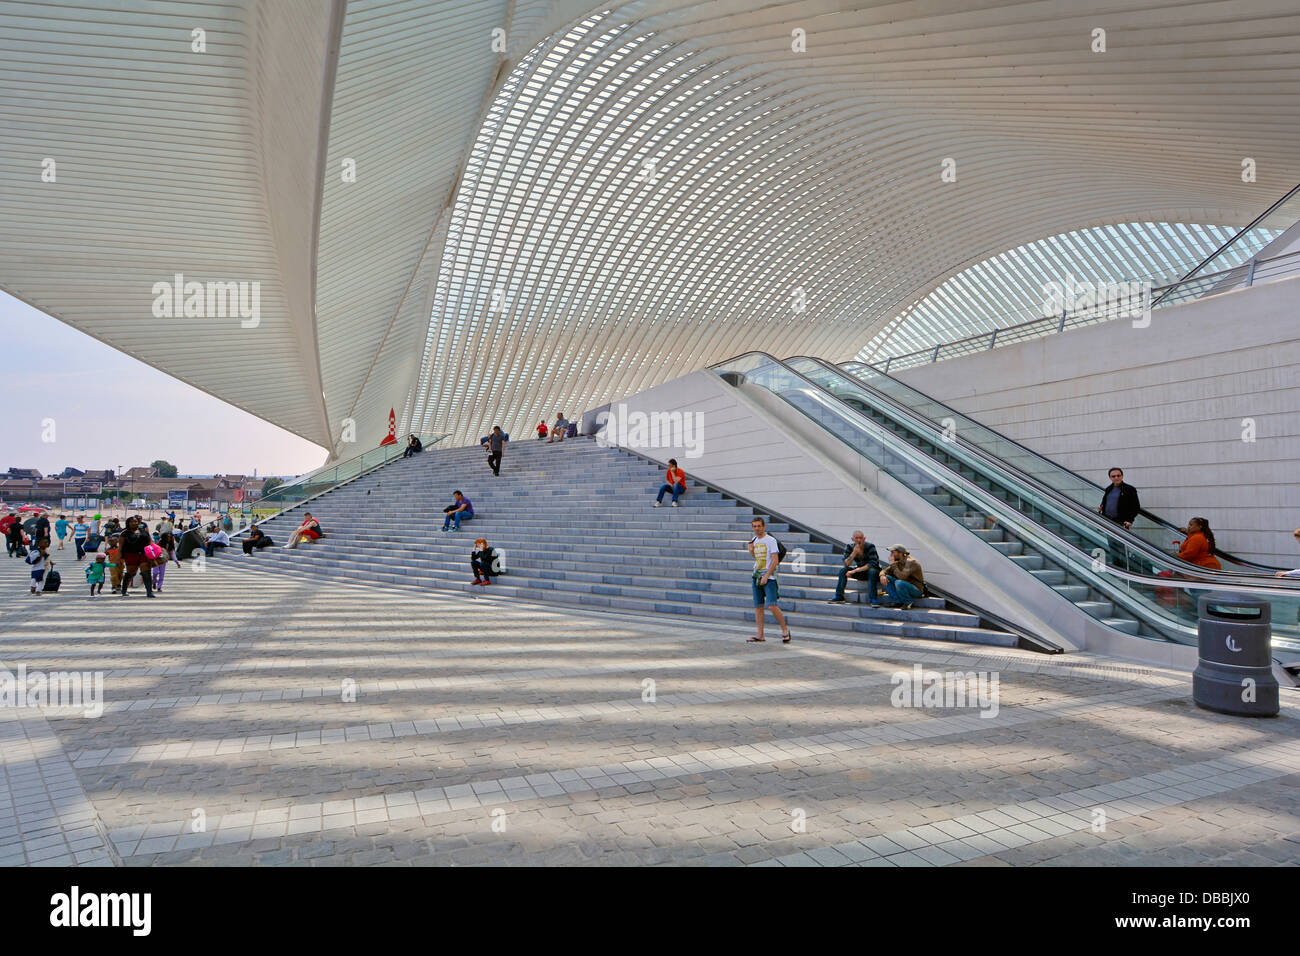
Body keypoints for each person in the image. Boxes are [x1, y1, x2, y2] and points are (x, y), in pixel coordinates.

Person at [746, 516, 790, 644]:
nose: (757, 528)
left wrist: (766, 576)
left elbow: (775, 560)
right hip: (756, 576)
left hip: (769, 577)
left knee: (772, 605)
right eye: (754, 526)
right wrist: (751, 552)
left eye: (759, 526)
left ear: (764, 526)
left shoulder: (770, 540)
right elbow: (758, 558)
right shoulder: (754, 540)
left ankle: (785, 630)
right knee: (758, 606)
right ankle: (760, 634)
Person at [828, 530, 881, 605]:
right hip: (860, 571)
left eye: (861, 538)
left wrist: (855, 571)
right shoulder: (849, 547)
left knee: (872, 571)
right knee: (843, 570)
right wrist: (854, 553)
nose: (859, 540)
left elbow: (872, 563)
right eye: (856, 538)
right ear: (852, 539)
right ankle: (839, 596)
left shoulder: (870, 546)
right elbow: (846, 564)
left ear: (864, 539)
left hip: (873, 572)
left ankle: (873, 599)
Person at [118, 515, 155, 598]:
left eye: (135, 521)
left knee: (146, 572)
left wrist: (155, 551)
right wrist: (119, 559)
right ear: (128, 523)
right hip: (130, 555)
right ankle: (124, 589)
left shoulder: (143, 531)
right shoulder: (124, 533)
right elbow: (120, 547)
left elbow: (150, 541)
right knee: (131, 572)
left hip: (144, 554)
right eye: (132, 522)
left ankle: (149, 591)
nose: (134, 523)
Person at [880, 544, 925, 609]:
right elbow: (884, 571)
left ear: (900, 553)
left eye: (893, 552)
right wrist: (882, 576)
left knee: (899, 582)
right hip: (903, 587)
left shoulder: (911, 562)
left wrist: (892, 564)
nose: (891, 555)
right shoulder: (897, 562)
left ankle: (908, 602)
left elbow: (902, 577)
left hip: (916, 590)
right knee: (887, 577)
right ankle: (897, 601)